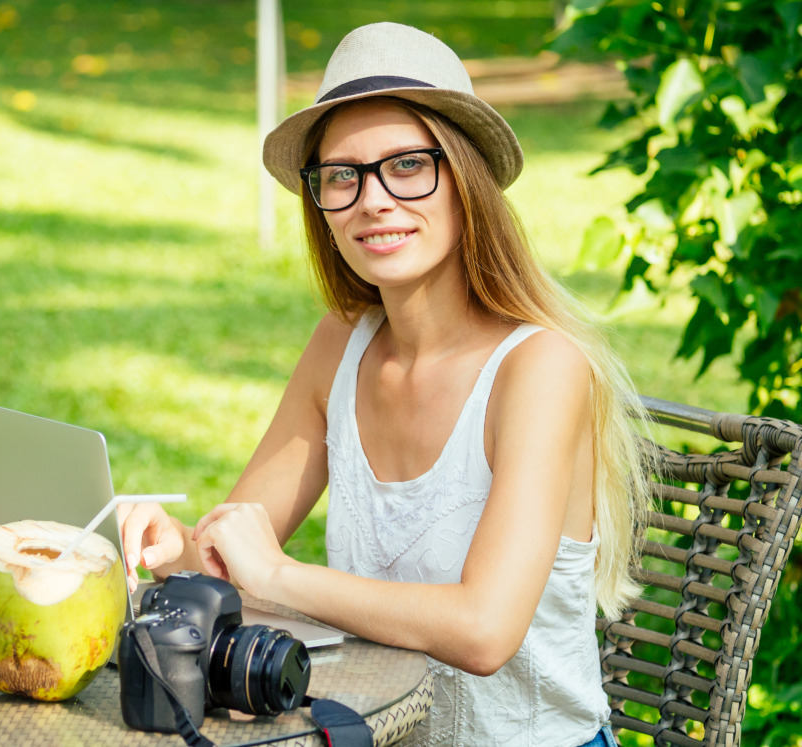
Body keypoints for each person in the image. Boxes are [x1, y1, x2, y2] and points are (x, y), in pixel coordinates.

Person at [119, 22, 650, 747]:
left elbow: (485, 630)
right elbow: (235, 551)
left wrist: (279, 574)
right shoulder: (339, 346)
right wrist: (174, 544)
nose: (372, 200)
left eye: (406, 165)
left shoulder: (540, 369)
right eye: (342, 175)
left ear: (464, 180)